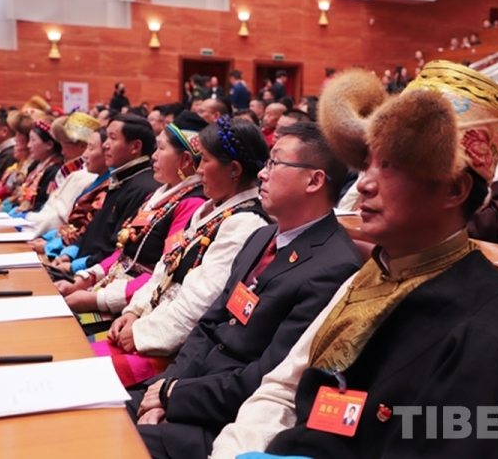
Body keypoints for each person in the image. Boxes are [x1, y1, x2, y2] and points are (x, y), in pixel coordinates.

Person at [212, 62, 498, 459]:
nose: (364, 182)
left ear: (454, 190)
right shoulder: (372, 273)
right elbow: (282, 390)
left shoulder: (492, 331)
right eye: (368, 162)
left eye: (391, 166)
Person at [128, 121, 362, 459]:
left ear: (314, 181)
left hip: (224, 422)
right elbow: (209, 326)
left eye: (275, 163)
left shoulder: (334, 267)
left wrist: (173, 396)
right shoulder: (261, 237)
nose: (262, 174)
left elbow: (268, 375)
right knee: (97, 410)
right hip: (187, 389)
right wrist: (161, 392)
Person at [83, 117, 273, 388]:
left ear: (234, 169)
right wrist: (134, 311)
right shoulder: (209, 209)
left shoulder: (245, 223)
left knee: (82, 371)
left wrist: (142, 332)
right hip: (151, 324)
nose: (198, 169)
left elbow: (201, 302)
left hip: (175, 349)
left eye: (204, 160)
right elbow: (165, 267)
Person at [57, 111, 211, 317]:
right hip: (111, 286)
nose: (153, 156)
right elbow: (124, 252)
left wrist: (98, 299)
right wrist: (85, 279)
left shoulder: (192, 204)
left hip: (137, 304)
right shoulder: (158, 195)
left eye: (161, 148)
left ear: (185, 160)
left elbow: (165, 272)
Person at [47, 114, 160, 276]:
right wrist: (70, 253)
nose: (105, 145)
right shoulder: (122, 178)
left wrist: (75, 266)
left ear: (135, 147)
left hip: (96, 274)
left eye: (112, 138)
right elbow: (95, 229)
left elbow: (117, 249)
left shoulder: (143, 188)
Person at [29, 128, 111, 256]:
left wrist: (53, 246)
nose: (85, 154)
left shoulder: (94, 180)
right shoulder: (94, 179)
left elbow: (87, 230)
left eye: (90, 148)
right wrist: (50, 237)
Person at [26, 112, 101, 236]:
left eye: (65, 146)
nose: (62, 152)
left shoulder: (85, 176)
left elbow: (62, 216)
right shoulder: (67, 170)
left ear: (82, 146)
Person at [6, 119, 62, 215]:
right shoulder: (35, 165)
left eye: (33, 140)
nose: (28, 145)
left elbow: (44, 204)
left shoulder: (54, 171)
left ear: (49, 145)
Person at [0, 111, 35, 205]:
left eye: (19, 135)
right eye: (16, 134)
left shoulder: (31, 166)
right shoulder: (19, 164)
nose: (15, 139)